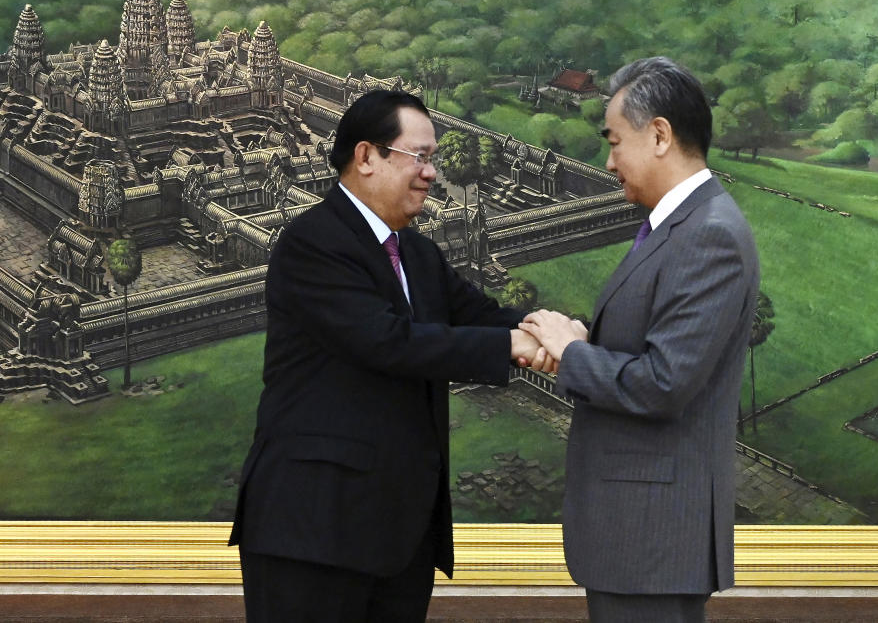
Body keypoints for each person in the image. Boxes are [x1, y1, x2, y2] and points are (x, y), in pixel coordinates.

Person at [229, 90, 545, 622]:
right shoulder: (312, 243)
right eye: (419, 157)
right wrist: (514, 345)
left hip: (398, 539)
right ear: (366, 157)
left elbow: (483, 315)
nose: (430, 173)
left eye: (434, 159)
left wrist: (560, 336)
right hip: (314, 532)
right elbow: (386, 342)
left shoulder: (418, 253)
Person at [519, 57, 760, 623]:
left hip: (651, 541)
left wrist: (573, 352)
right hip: (638, 540)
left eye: (614, 142)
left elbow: (663, 384)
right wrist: (577, 345)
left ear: (658, 136)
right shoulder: (677, 226)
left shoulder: (710, 236)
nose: (608, 162)